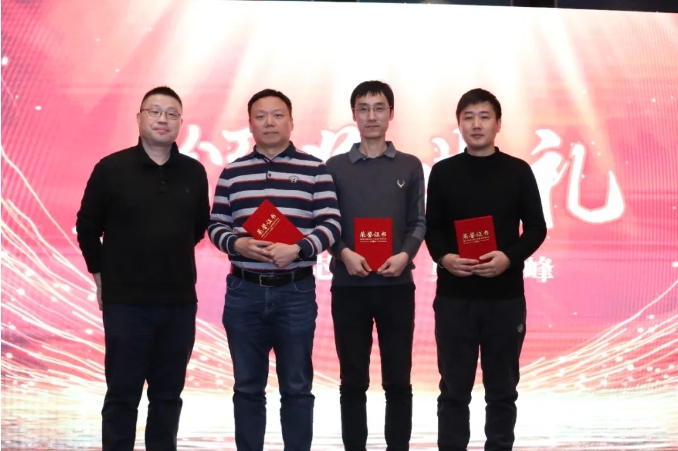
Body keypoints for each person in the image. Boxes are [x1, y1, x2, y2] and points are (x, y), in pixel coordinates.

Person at [76, 86, 210, 451]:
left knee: (168, 397)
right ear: (139, 118)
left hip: (178, 303)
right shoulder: (111, 169)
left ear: (180, 122)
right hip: (126, 304)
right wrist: (100, 274)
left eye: (171, 113)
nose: (163, 119)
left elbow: (199, 227)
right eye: (155, 111)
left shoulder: (194, 172)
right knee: (122, 395)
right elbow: (87, 226)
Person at [207, 88, 342, 451]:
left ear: (291, 122)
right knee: (247, 387)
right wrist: (238, 244)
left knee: (296, 387)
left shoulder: (315, 170)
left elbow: (331, 224)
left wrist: (298, 249)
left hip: (295, 292)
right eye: (261, 116)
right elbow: (216, 225)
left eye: (277, 115)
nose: (269, 122)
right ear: (250, 124)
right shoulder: (233, 173)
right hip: (244, 291)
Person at [425, 88, 547, 451]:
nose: (476, 124)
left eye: (484, 117)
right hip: (455, 298)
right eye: (468, 117)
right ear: (459, 124)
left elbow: (536, 228)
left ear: (498, 124)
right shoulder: (443, 172)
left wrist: (508, 257)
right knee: (453, 391)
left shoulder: (518, 171)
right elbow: (432, 228)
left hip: (504, 299)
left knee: (502, 390)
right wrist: (445, 258)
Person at [325, 80, 426, 451]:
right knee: (352, 381)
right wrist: (343, 253)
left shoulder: (410, 165)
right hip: (348, 287)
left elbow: (419, 221)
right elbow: (326, 224)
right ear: (354, 115)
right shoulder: (334, 167)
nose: (371, 116)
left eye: (379, 108)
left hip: (396, 287)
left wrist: (405, 255)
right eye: (364, 109)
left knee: (398, 380)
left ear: (391, 114)